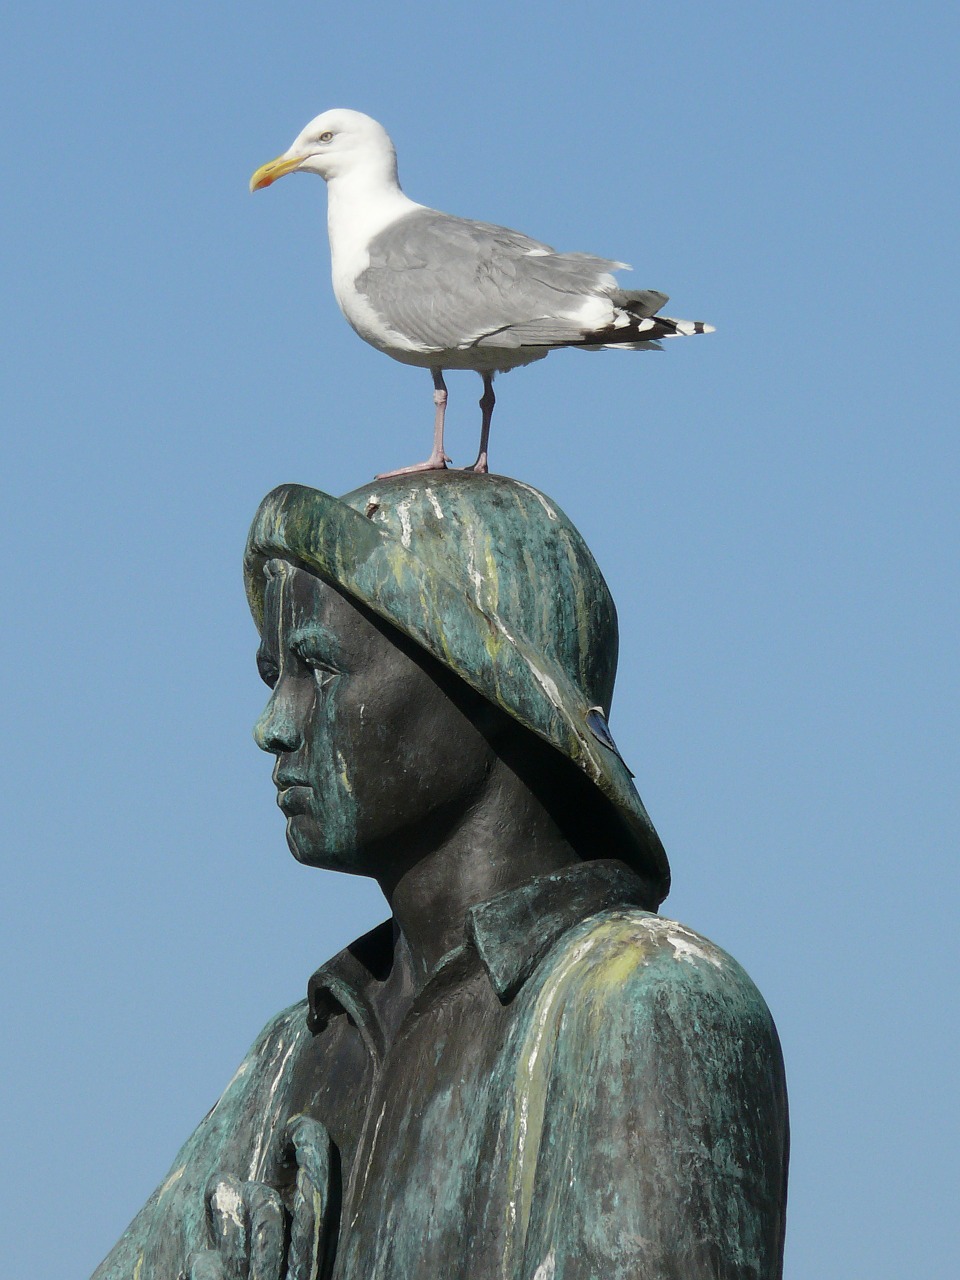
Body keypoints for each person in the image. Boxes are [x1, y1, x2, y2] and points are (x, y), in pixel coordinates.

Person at [93, 472, 788, 1280]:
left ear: (488, 684)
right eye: (271, 676)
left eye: (317, 668)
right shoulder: (301, 1053)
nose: (273, 724)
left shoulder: (652, 1005)